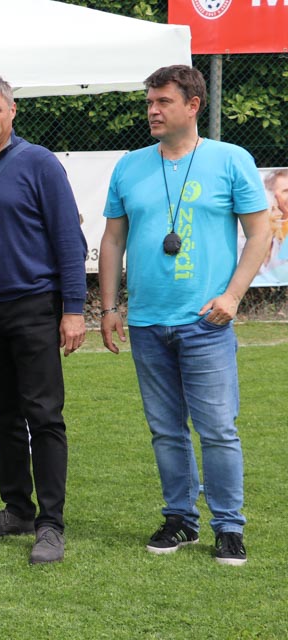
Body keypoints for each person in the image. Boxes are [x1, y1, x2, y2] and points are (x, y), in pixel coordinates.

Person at [99, 65, 270, 566]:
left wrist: (232, 296)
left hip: (206, 322)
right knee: (166, 430)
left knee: (217, 429)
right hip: (146, 321)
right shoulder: (130, 166)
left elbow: (260, 234)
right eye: (149, 102)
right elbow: (112, 239)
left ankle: (229, 527)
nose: (152, 111)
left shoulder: (231, 159)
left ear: (193, 105)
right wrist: (109, 307)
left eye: (163, 102)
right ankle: (180, 520)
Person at [0, 75, 86, 565]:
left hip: (34, 305)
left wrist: (73, 309)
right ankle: (17, 510)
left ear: (12, 111)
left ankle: (51, 524)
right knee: (4, 415)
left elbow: (69, 241)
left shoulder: (40, 162)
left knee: (43, 416)